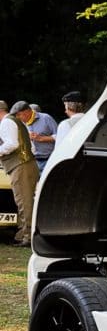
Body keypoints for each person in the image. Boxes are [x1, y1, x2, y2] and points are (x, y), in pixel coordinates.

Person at [0, 101, 42, 246]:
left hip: (21, 166)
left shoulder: (6, 123)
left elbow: (12, 144)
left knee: (24, 202)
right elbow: (32, 147)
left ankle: (28, 237)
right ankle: (22, 234)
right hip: (27, 164)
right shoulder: (16, 121)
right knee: (26, 201)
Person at [16, 102, 58, 171]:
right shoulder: (21, 122)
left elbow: (59, 136)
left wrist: (42, 138)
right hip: (31, 161)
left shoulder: (46, 118)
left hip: (49, 159)